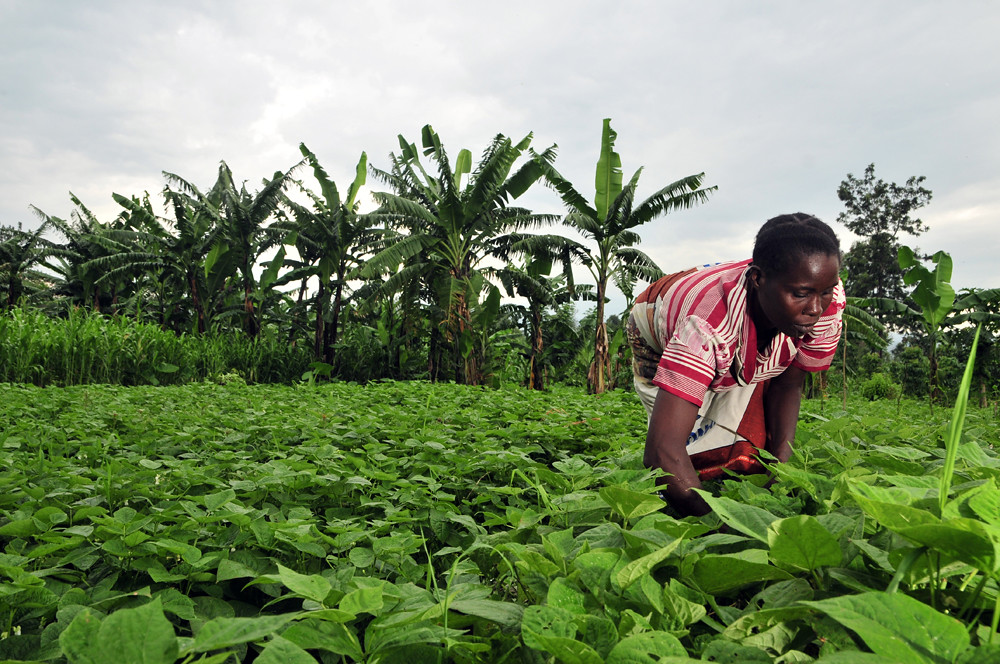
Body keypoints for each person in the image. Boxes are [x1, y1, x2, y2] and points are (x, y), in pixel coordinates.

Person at [627, 213, 844, 517]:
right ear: (757, 279)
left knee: (749, 449)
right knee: (687, 452)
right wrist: (725, 524)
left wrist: (781, 467)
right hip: (654, 322)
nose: (816, 309)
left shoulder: (823, 296)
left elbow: (788, 384)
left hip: (730, 328)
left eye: (825, 292)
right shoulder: (705, 327)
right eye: (800, 294)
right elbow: (662, 449)